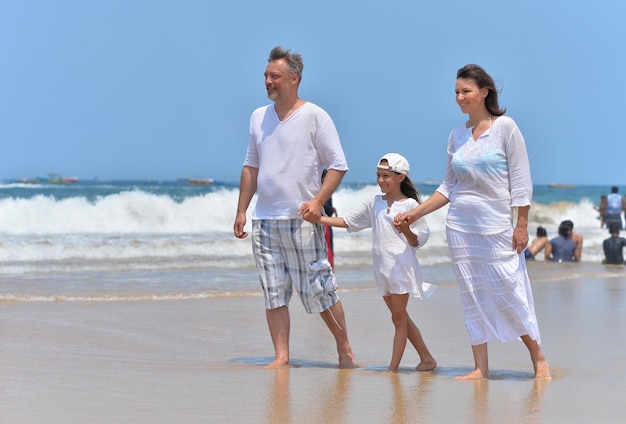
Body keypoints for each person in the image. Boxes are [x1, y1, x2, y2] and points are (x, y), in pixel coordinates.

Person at [394, 64, 550, 380]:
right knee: (472, 295)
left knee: (510, 290)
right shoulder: (456, 136)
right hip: (460, 229)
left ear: (484, 92)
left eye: (466, 91)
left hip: (496, 228)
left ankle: (539, 359)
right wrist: (417, 212)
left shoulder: (506, 128)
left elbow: (521, 180)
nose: (460, 97)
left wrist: (521, 225)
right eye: (456, 92)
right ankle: (480, 367)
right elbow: (448, 186)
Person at [233, 46, 355, 368]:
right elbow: (251, 166)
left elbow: (338, 165)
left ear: (294, 79)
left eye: (275, 76)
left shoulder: (315, 116)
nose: (268, 81)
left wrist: (317, 203)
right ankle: (281, 357)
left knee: (320, 290)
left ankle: (345, 350)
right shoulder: (258, 117)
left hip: (302, 220)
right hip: (265, 221)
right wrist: (242, 210)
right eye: (266, 76)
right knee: (273, 293)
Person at [318, 153, 437, 372]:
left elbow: (418, 241)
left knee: (398, 320)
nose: (381, 180)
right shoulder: (375, 204)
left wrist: (406, 229)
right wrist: (318, 218)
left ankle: (392, 369)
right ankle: (427, 359)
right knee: (400, 317)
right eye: (378, 176)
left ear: (400, 177)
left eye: (386, 176)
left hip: (401, 268)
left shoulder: (411, 205)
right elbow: (348, 222)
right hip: (382, 270)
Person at [321, 169, 338, 268]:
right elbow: (325, 208)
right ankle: (329, 267)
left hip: (322, 222)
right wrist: (332, 209)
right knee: (328, 248)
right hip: (325, 224)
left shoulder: (319, 189)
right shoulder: (325, 190)